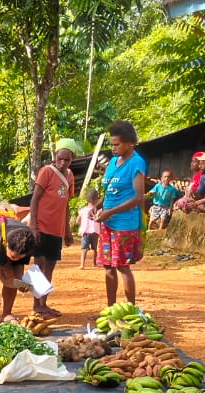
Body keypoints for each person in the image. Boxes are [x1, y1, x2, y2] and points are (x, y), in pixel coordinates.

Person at [94, 120, 148, 307]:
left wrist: (110, 212)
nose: (113, 148)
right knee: (108, 267)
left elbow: (138, 198)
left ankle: (129, 308)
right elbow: (109, 191)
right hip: (107, 223)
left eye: (117, 144)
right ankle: (111, 308)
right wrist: (98, 205)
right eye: (112, 144)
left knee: (122, 266)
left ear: (129, 143)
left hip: (124, 223)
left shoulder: (136, 163)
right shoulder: (113, 163)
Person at [28, 138, 77, 318]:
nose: (63, 163)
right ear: (55, 156)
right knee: (38, 267)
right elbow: (34, 199)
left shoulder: (70, 176)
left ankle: (44, 304)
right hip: (41, 227)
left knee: (50, 268)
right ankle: (36, 305)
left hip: (57, 230)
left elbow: (65, 205)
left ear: (72, 159)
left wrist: (67, 231)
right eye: (60, 158)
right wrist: (34, 226)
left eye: (67, 160)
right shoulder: (46, 172)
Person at [77, 189, 100, 270]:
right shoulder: (98, 210)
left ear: (87, 199)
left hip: (85, 232)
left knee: (84, 248)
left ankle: (82, 264)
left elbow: (77, 220)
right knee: (94, 248)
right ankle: (94, 263)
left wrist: (82, 225)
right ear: (97, 199)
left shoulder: (82, 210)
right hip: (95, 231)